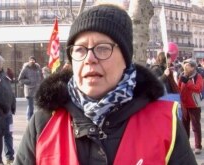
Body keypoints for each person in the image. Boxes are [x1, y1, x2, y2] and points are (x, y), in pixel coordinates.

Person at [15, 3, 197, 164]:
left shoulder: (165, 123)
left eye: (103, 48)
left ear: (126, 59)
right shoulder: (43, 122)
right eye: (80, 50)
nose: (90, 59)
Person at [178, 58, 203, 155]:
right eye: (184, 65)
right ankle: (186, 146)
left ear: (192, 67)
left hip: (194, 105)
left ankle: (198, 146)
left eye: (187, 65)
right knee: (184, 127)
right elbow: (178, 88)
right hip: (184, 105)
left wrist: (187, 83)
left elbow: (198, 88)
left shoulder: (198, 76)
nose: (185, 67)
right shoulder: (182, 75)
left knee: (196, 126)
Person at [18, 56, 43, 120]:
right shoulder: (25, 68)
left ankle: (38, 118)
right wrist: (28, 81)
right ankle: (30, 119)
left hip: (38, 90)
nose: (32, 61)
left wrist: (41, 83)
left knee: (39, 105)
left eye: (33, 60)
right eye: (31, 60)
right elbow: (20, 79)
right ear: (29, 61)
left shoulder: (38, 68)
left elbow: (41, 76)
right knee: (31, 106)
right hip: (29, 90)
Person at [3, 70, 16, 165]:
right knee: (2, 136)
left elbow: (12, 94)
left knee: (8, 134)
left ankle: (9, 157)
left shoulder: (5, 78)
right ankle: (4, 158)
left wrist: (13, 108)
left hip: (8, 113)